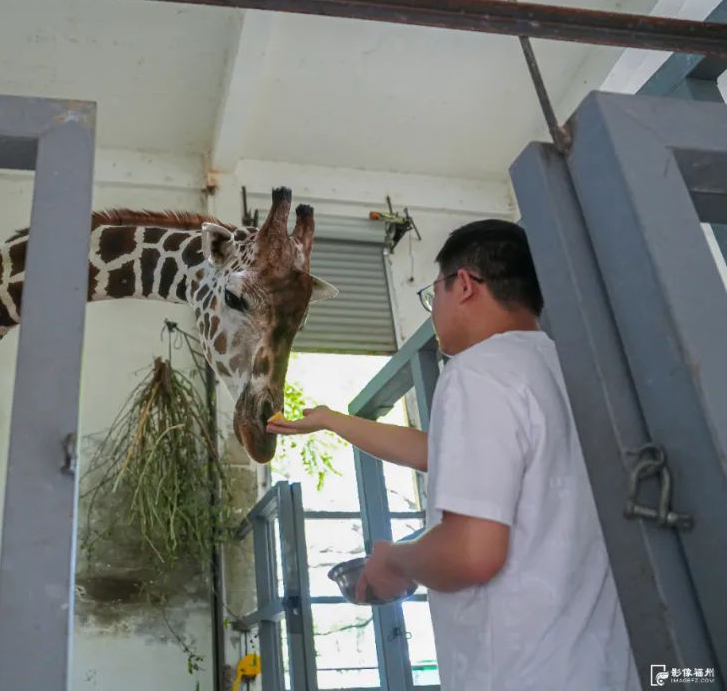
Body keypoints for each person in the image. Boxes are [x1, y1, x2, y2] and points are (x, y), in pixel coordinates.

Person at [268, 219, 638, 691]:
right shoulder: (557, 367)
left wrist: (395, 561)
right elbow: (442, 453)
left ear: (463, 284)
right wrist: (332, 420)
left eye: (432, 295)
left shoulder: (477, 371)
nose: (434, 312)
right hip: (599, 665)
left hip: (521, 670)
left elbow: (472, 554)